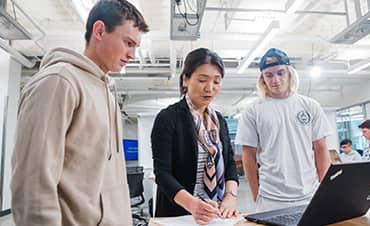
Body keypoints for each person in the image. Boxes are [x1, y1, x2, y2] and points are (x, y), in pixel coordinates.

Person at [11, 1, 149, 225]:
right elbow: (33, 184)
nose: (132, 54)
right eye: (128, 42)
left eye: (136, 46)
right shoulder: (58, 82)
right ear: (100, 31)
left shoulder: (107, 93)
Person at [235, 48, 331, 212]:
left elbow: (321, 149)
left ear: (290, 74)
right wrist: (256, 195)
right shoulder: (253, 110)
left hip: (310, 194)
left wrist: (325, 190)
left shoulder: (309, 106)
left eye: (280, 73)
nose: (275, 80)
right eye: (269, 75)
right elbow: (248, 155)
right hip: (271, 197)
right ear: (263, 79)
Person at [151, 48, 239, 225]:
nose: (210, 88)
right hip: (178, 214)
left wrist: (230, 197)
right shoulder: (168, 118)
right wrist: (193, 205)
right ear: (185, 79)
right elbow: (163, 174)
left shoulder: (219, 120)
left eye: (216, 81)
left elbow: (229, 163)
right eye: (202, 80)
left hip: (216, 212)